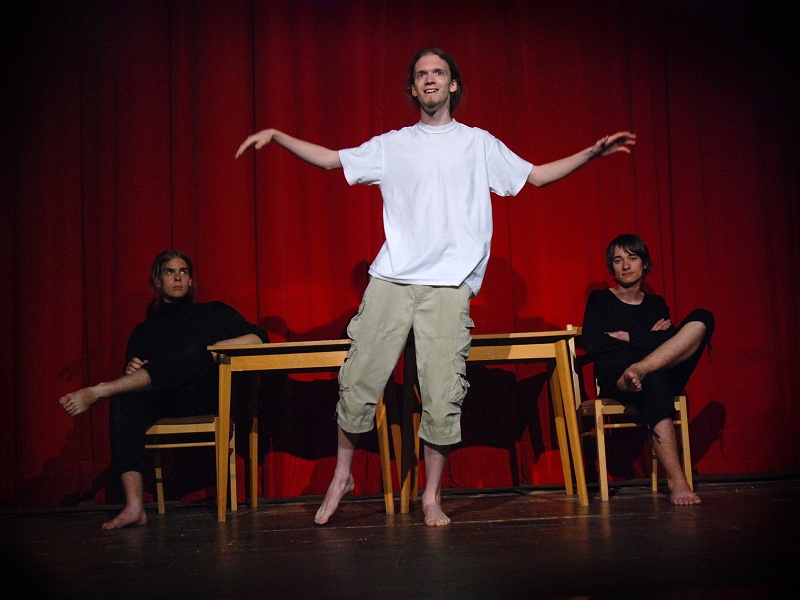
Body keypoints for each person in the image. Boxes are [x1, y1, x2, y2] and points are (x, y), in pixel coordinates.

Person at [235, 47, 636, 526]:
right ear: (413, 88)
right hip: (392, 279)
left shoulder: (478, 144)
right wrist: (278, 136)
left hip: (448, 284)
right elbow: (329, 161)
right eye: (421, 74)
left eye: (438, 72)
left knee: (442, 392)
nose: (430, 79)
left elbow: (536, 177)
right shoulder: (393, 145)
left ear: (452, 85)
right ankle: (342, 476)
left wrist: (591, 153)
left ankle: (431, 495)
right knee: (359, 379)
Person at [59, 250, 269, 529]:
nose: (178, 277)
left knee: (196, 352)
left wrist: (220, 347)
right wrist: (132, 368)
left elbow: (259, 338)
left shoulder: (213, 313)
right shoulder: (144, 331)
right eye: (170, 272)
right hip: (164, 400)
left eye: (183, 271)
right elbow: (136, 376)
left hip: (205, 397)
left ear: (191, 281)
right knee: (125, 399)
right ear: (158, 282)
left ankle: (101, 390)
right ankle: (135, 506)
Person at [580, 234, 714, 505]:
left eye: (632, 258)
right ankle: (677, 482)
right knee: (654, 380)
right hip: (618, 377)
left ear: (644, 263)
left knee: (703, 318)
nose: (625, 265)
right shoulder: (600, 300)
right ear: (611, 267)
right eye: (618, 260)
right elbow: (593, 343)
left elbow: (672, 342)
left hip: (652, 369)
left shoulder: (655, 304)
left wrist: (627, 337)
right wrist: (650, 338)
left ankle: (641, 369)